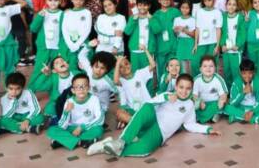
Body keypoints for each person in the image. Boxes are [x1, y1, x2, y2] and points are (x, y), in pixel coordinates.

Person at [86, 73, 220, 158]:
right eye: (181, 87)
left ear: (191, 89)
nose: (184, 91)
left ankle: (106, 146)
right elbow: (149, 104)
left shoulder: (190, 105)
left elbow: (190, 124)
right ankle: (121, 141)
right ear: (176, 87)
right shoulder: (168, 95)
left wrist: (207, 129)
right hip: (151, 120)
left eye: (188, 88)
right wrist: (166, 97)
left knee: (144, 151)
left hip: (160, 133)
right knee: (147, 108)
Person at [46, 72, 105, 150]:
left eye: (84, 86)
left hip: (87, 128)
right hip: (72, 128)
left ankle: (66, 141)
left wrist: (82, 127)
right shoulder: (69, 101)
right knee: (51, 130)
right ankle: (81, 141)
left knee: (98, 129)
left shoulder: (94, 99)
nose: (81, 89)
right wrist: (66, 113)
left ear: (89, 88)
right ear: (73, 90)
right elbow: (62, 125)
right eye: (77, 87)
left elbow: (100, 118)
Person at [28, 0, 64, 92]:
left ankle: (52, 90)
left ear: (60, 1)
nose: (53, 3)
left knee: (55, 70)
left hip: (57, 48)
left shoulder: (62, 14)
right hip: (44, 47)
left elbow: (64, 32)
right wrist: (40, 16)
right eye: (50, 0)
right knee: (38, 69)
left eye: (56, 0)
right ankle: (31, 91)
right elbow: (33, 29)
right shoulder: (42, 13)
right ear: (46, 1)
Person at [114, 51, 156, 128]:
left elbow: (153, 65)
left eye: (126, 64)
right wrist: (118, 62)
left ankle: (132, 123)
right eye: (121, 67)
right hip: (133, 110)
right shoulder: (121, 81)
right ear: (118, 71)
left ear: (130, 64)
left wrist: (145, 49)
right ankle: (137, 123)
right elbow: (115, 81)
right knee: (119, 113)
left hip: (145, 108)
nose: (125, 67)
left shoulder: (139, 73)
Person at [224, 59, 259, 125]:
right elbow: (232, 103)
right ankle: (256, 119)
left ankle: (238, 117)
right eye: (244, 73)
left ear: (254, 72)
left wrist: (252, 111)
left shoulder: (258, 82)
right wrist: (243, 93)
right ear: (240, 72)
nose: (247, 76)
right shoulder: (236, 83)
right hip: (241, 108)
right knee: (227, 107)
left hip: (254, 108)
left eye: (250, 73)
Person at [77, 44, 118, 113]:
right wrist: (89, 45)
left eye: (102, 68)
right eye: (96, 66)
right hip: (88, 101)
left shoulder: (107, 82)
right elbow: (81, 56)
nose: (98, 70)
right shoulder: (89, 69)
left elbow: (117, 90)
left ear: (107, 70)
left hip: (101, 107)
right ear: (92, 65)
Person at [59, 0, 92, 69]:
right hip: (68, 44)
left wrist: (77, 44)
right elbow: (64, 30)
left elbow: (87, 30)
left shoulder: (87, 12)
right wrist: (71, 44)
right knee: (70, 66)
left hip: (83, 43)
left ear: (85, 0)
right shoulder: (67, 13)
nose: (78, 2)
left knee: (83, 67)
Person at [152, 0, 181, 81]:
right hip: (161, 48)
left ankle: (175, 89)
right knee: (161, 71)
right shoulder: (155, 15)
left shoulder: (175, 12)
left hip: (173, 46)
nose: (166, 1)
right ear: (159, 0)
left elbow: (181, 25)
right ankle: (162, 89)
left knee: (175, 70)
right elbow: (154, 31)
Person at [123, 0, 156, 70]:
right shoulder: (133, 18)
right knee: (135, 72)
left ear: (149, 6)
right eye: (140, 5)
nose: (142, 7)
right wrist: (133, 20)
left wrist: (151, 19)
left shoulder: (152, 18)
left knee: (148, 73)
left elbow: (157, 30)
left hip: (148, 51)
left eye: (145, 5)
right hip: (135, 50)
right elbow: (127, 32)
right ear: (137, 6)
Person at [193, 55, 228, 124]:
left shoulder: (218, 79)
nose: (208, 68)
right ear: (200, 69)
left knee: (221, 105)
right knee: (193, 105)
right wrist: (199, 101)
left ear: (215, 68)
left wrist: (221, 100)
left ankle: (206, 116)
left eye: (211, 66)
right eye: (205, 66)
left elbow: (224, 94)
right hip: (202, 103)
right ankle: (207, 116)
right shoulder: (197, 79)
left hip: (214, 103)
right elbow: (194, 94)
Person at [220, 0, 246, 87]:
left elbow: (243, 33)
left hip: (236, 50)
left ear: (237, 6)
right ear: (226, 5)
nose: (231, 7)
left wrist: (238, 45)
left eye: (234, 5)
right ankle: (229, 91)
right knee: (226, 71)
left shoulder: (240, 17)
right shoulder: (223, 17)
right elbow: (222, 32)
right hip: (226, 50)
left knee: (236, 71)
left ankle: (238, 89)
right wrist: (222, 45)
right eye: (229, 4)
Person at [193, 0, 222, 70]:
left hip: (213, 42)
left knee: (212, 64)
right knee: (196, 64)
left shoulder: (218, 12)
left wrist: (217, 45)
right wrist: (195, 44)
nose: (207, 2)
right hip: (201, 42)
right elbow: (197, 29)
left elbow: (218, 29)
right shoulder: (199, 12)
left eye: (209, 0)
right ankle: (197, 81)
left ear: (214, 0)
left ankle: (212, 81)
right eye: (205, 0)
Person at [172, 0, 196, 74]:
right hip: (180, 43)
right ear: (180, 8)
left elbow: (194, 35)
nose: (184, 9)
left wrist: (185, 30)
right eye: (183, 7)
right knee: (180, 64)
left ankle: (192, 82)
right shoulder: (177, 19)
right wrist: (175, 31)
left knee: (191, 65)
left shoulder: (193, 19)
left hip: (190, 43)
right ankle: (182, 81)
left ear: (190, 9)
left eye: (187, 8)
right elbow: (175, 34)